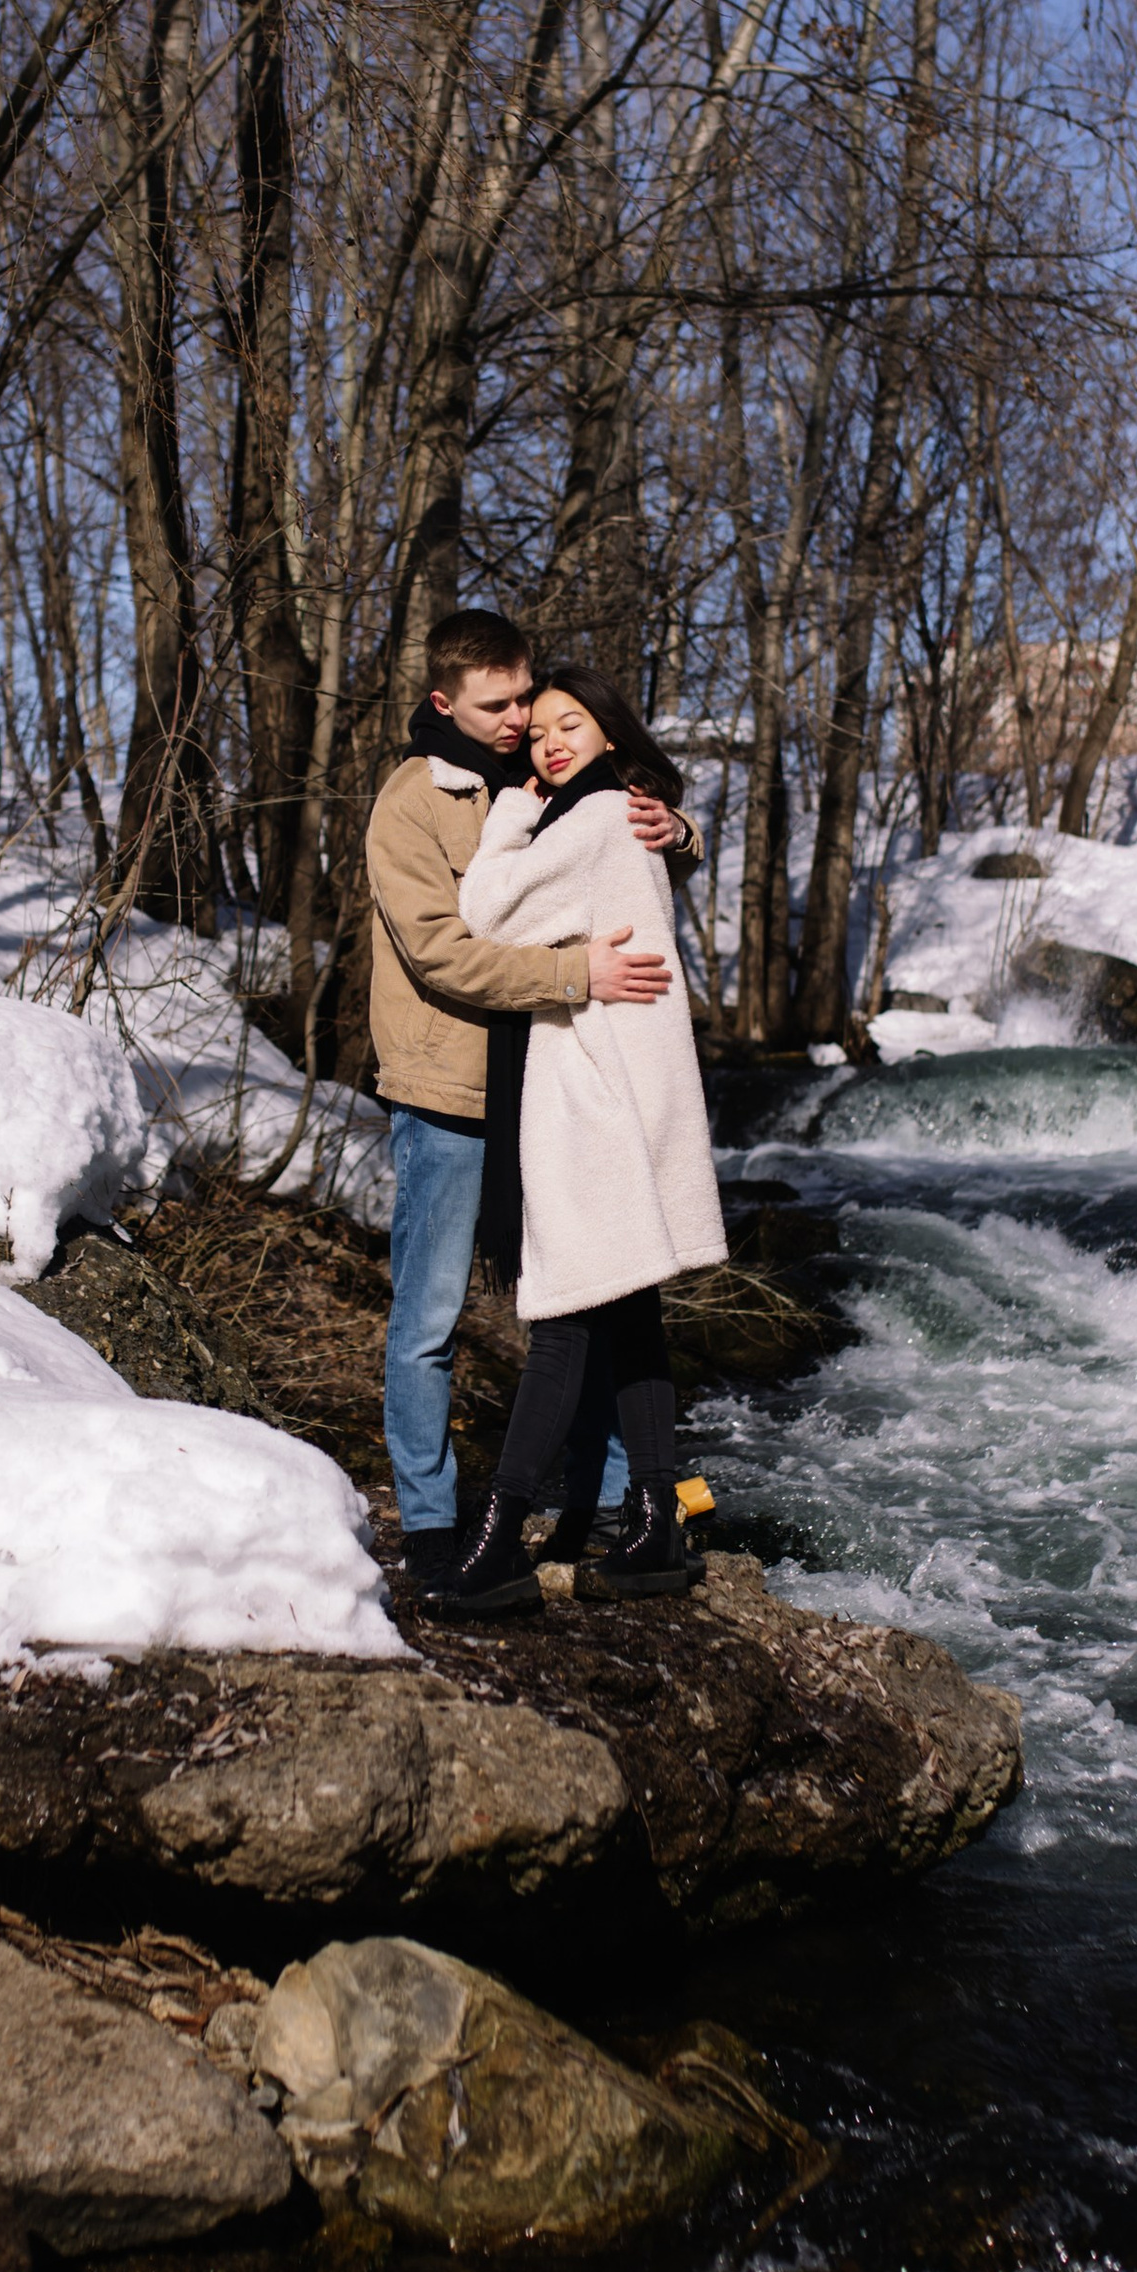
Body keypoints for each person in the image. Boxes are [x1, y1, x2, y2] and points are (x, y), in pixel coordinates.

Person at [364, 609, 688, 1588]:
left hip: (554, 1085)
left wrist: (677, 828)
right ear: (443, 701)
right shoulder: (412, 803)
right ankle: (429, 1522)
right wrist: (572, 976)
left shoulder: (540, 776)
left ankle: (621, 1504)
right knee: (430, 1317)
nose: (517, 720)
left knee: (587, 1288)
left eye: (524, 699)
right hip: (450, 1087)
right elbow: (443, 952)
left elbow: (618, 834)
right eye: (496, 705)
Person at [434, 662, 727, 1616]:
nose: (552, 740)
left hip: (593, 1098)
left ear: (611, 734)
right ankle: (656, 1522)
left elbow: (485, 911)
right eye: (543, 728)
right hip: (628, 1087)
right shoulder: (621, 813)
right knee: (630, 1311)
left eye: (575, 723)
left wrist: (512, 817)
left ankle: (497, 1539)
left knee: (560, 1315)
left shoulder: (594, 817)